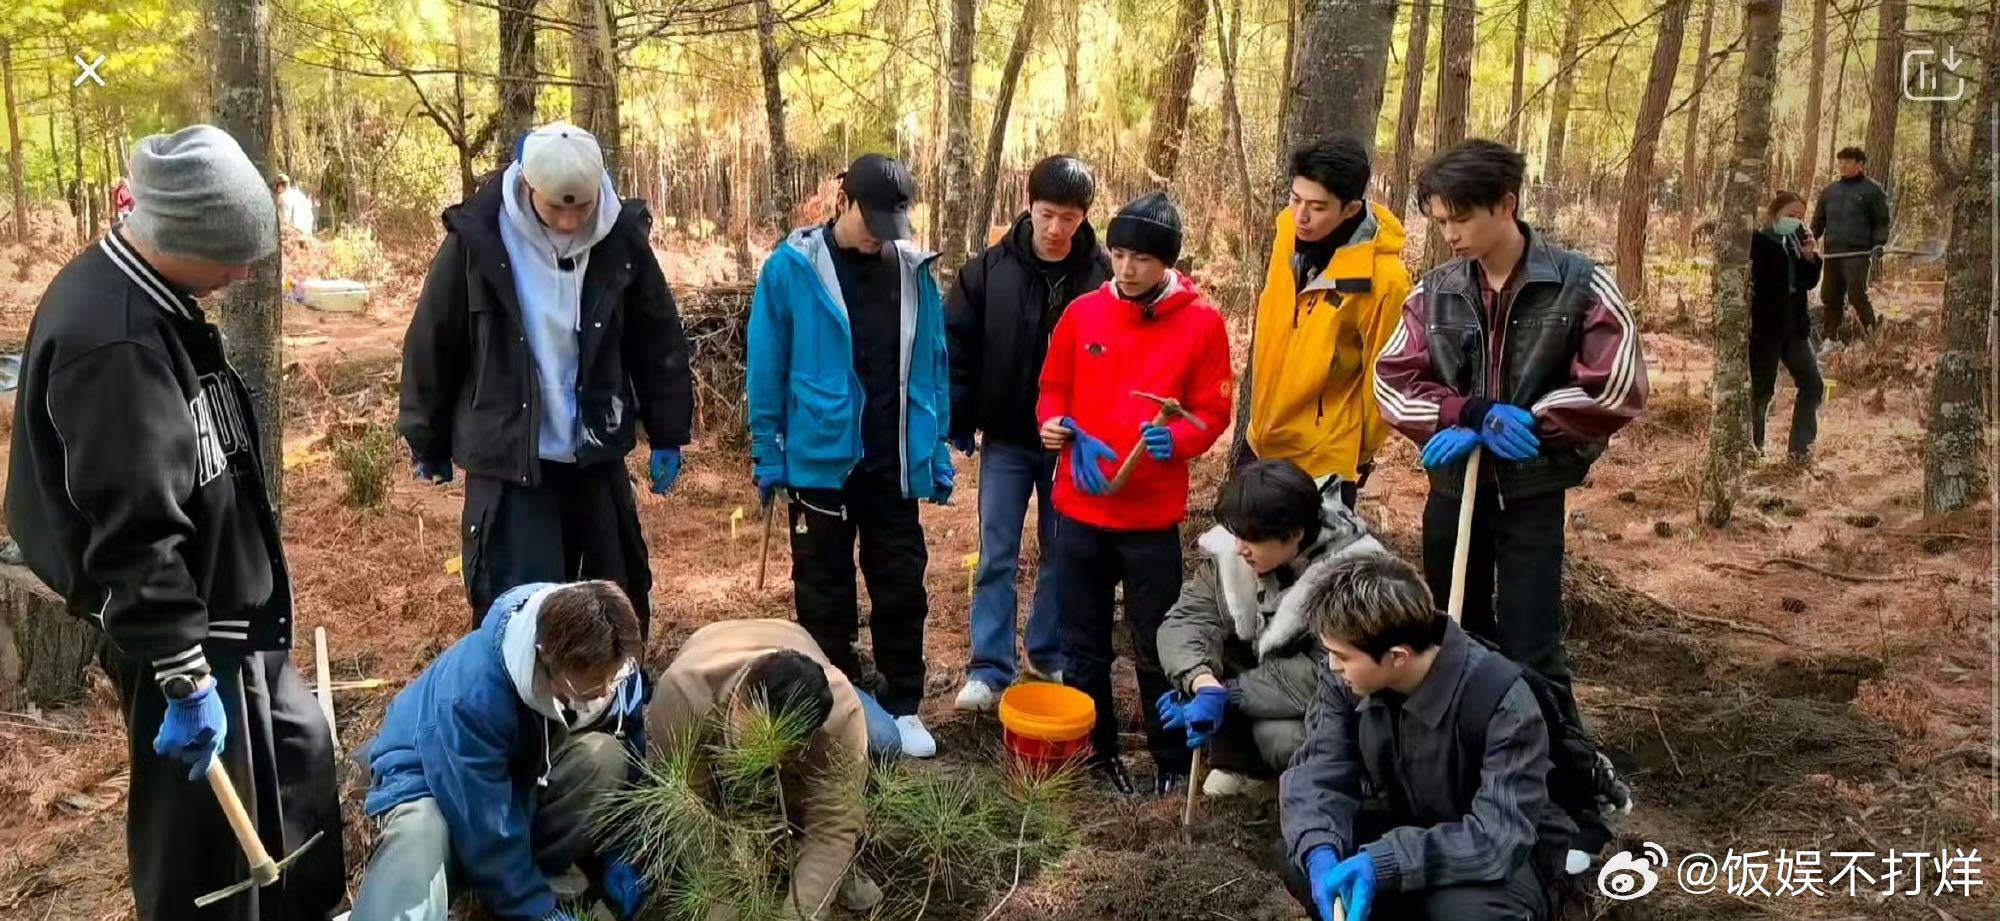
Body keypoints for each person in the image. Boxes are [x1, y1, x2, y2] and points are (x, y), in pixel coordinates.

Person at [5, 124, 346, 921]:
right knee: (205, 852)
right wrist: (183, 674)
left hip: (231, 608)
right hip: (178, 630)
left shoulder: (163, 301)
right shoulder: (114, 341)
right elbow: (129, 532)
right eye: (232, 255)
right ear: (182, 237)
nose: (243, 271)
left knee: (297, 767)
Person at [1373, 138, 1645, 807]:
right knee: (1453, 626)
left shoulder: (1578, 282)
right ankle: (1461, 772)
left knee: (1532, 640)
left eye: (1461, 219)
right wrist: (1463, 413)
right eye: (1440, 221)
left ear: (1506, 204)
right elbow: (1392, 378)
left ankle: (1568, 776)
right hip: (1451, 489)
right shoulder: (1434, 292)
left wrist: (1533, 423)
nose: (1451, 234)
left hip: (1530, 491)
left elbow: (1616, 384)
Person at [399, 121, 694, 633]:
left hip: (594, 453)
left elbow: (657, 339)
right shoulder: (478, 242)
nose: (569, 220)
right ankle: (518, 714)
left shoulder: (622, 241)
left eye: (580, 208)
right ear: (528, 186)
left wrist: (669, 432)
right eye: (557, 207)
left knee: (613, 606)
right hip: (510, 457)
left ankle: (612, 710)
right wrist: (426, 439)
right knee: (519, 613)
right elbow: (433, 341)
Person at [747, 153, 953, 759]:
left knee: (899, 584)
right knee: (824, 588)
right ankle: (833, 699)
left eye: (893, 223)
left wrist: (935, 447)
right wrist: (769, 451)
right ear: (844, 202)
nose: (881, 236)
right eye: (873, 220)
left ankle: (904, 704)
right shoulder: (791, 270)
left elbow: (933, 366)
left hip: (892, 458)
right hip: (819, 459)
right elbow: (766, 368)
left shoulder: (915, 274)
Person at [1036, 190, 1233, 796]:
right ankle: (1096, 758)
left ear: (1167, 262)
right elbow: (1052, 389)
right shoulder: (1083, 315)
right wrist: (1055, 426)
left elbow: (1213, 410)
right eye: (1119, 254)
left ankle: (1171, 759)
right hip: (1080, 510)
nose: (1126, 269)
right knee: (1083, 642)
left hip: (1150, 520)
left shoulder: (1201, 324)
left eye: (1142, 259)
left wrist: (1179, 439)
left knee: (1157, 642)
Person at [1279, 554, 1575, 921]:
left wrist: (1385, 862)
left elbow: (1499, 839)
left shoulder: (1502, 703)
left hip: (1498, 852)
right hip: (1407, 826)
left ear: (1397, 657)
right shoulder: (1345, 679)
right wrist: (1320, 852)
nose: (1333, 666)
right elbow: (1316, 771)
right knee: (1304, 854)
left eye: (1342, 656)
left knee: (1468, 912)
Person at [353, 581, 650, 921]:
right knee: (421, 836)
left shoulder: (605, 644)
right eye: (589, 690)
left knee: (605, 757)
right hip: (430, 779)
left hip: (522, 773)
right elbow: (485, 824)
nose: (604, 692)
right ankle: (505, 893)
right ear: (545, 658)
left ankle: (527, 880)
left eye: (612, 681)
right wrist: (537, 911)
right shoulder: (472, 696)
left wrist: (627, 848)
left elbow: (631, 740)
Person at [946, 154, 1113, 710]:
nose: (1055, 228)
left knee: (1061, 551)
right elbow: (958, 347)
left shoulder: (1102, 278)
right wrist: (959, 416)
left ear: (1084, 217)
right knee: (996, 551)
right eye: (1046, 214)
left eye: (1069, 217)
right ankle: (990, 668)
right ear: (1028, 205)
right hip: (1009, 437)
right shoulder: (990, 270)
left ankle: (1048, 651)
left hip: (1073, 442)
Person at [1156, 459, 1385, 796]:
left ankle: (1337, 784)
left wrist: (1230, 694)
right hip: (1257, 687)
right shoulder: (1234, 552)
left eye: (1251, 539)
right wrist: (1202, 683)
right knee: (1207, 661)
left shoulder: (1354, 576)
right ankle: (1247, 767)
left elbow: (1328, 673)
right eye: (1237, 535)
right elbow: (1188, 619)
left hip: (1339, 710)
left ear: (1294, 534)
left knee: (1281, 737)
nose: (1239, 548)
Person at [648, 619, 898, 919]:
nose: (772, 758)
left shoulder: (840, 712)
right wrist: (723, 906)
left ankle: (838, 862)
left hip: (797, 644)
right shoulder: (683, 697)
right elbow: (691, 816)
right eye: (759, 739)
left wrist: (798, 913)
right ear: (741, 703)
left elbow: (831, 828)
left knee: (884, 742)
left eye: (788, 747)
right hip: (711, 654)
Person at [1241, 139, 1412, 505]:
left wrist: (1359, 452)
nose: (1301, 216)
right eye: (1295, 199)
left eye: (1317, 207)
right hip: (1262, 439)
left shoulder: (1385, 279)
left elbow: (1383, 380)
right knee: (1243, 557)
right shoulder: (1287, 233)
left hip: (1325, 458)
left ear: (1351, 208)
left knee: (1314, 563)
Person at [1749, 192, 1825, 462]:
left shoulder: (1795, 243)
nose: (1796, 221)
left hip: (1795, 327)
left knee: (1813, 384)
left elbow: (1807, 282)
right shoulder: (1757, 242)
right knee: (1761, 392)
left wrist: (1810, 258)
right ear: (1775, 213)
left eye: (1800, 217)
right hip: (1765, 328)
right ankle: (1754, 448)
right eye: (1791, 215)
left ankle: (1800, 450)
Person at [1810, 146, 1891, 342]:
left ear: (1860, 164)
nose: (1842, 165)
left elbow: (1881, 221)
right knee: (1830, 295)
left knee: (1856, 293)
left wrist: (1878, 244)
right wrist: (1809, 240)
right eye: (1841, 161)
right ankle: (1831, 337)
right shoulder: (1829, 191)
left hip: (1858, 253)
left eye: (1847, 161)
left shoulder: (1872, 190)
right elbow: (1818, 222)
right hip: (1832, 252)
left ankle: (1871, 331)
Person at [275, 173, 316, 237]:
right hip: (306, 234)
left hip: (294, 236)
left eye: (277, 186)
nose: (276, 189)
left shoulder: (282, 197)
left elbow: (284, 222)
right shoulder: (300, 195)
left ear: (280, 185)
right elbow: (311, 217)